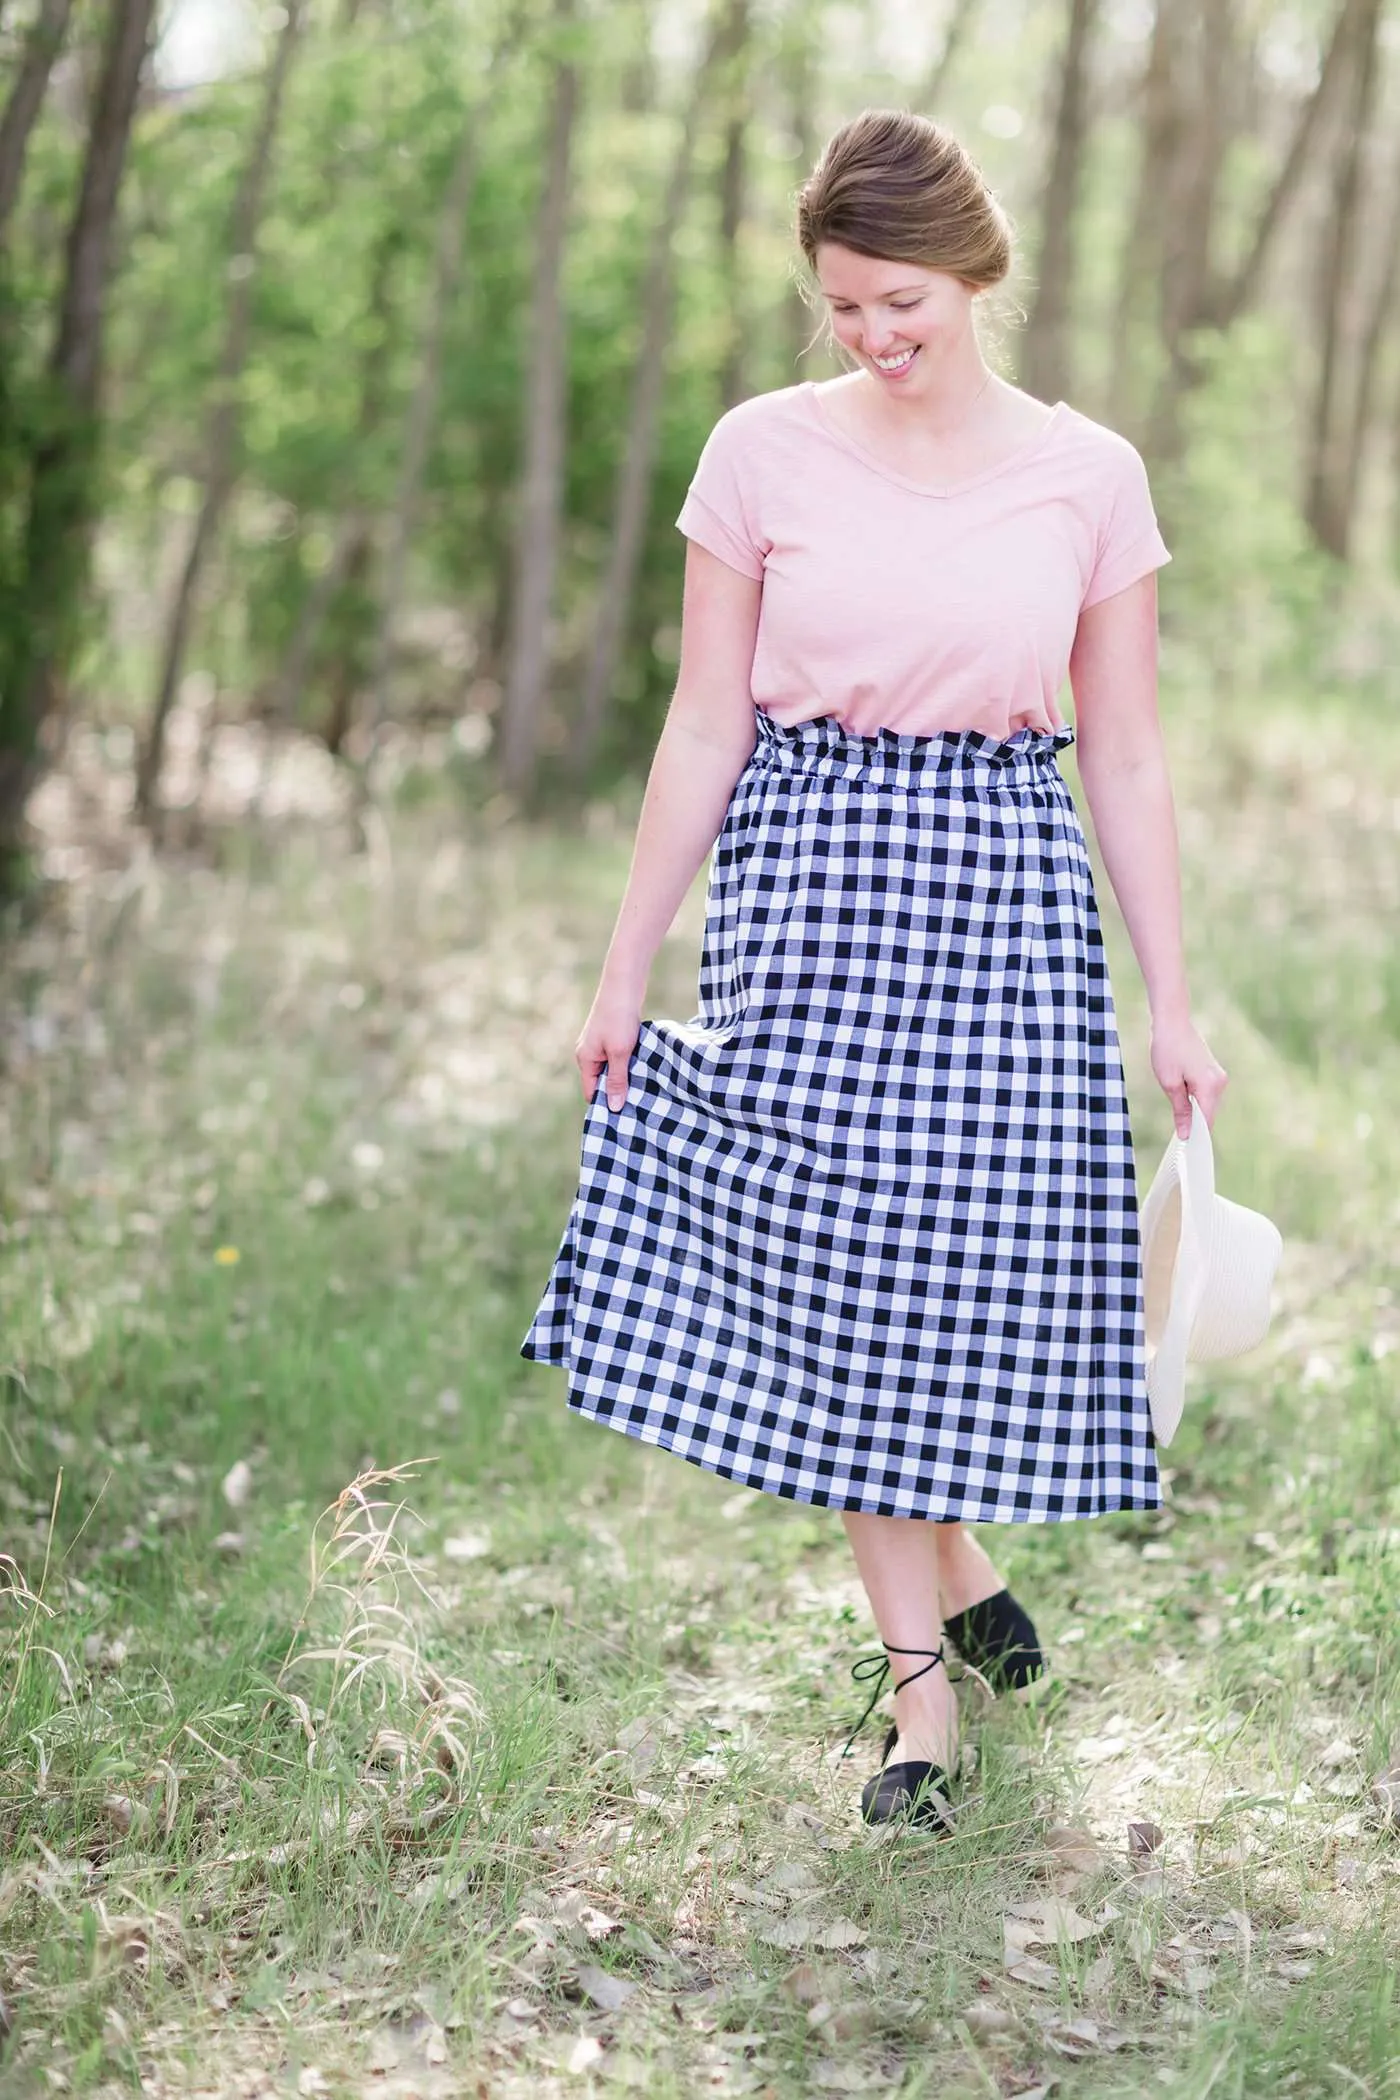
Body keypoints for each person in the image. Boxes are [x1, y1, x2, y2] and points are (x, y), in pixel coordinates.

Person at [521, 108, 1228, 1831]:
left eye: (899, 299)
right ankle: (923, 1708)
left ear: (977, 272)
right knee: (846, 1268)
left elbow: (1123, 752)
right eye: (842, 307)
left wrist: (1175, 1000)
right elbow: (702, 719)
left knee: (954, 1271)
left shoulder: (1089, 474)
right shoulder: (759, 452)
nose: (873, 334)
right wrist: (624, 966)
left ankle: (963, 1573)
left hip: (1003, 889)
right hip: (809, 883)